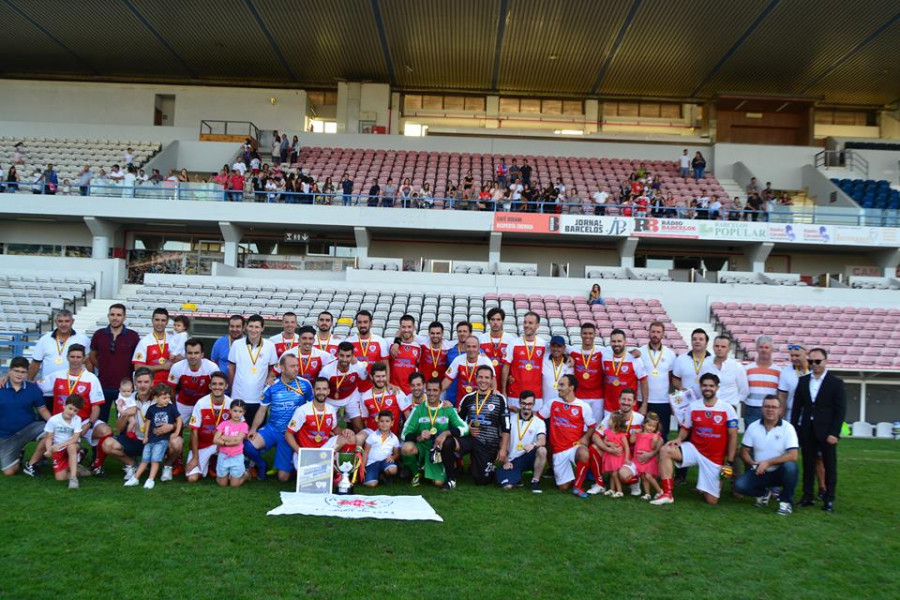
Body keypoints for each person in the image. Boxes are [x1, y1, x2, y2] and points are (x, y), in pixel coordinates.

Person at [652, 373, 739, 505]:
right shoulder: (693, 406)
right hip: (695, 449)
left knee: (712, 501)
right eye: (704, 385)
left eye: (711, 386)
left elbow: (733, 436)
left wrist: (730, 462)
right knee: (665, 450)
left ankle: (707, 484)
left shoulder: (727, 408)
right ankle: (667, 493)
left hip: (714, 458)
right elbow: (686, 427)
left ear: (717, 388)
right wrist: (679, 439)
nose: (707, 388)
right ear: (700, 387)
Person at [791, 348, 846, 512]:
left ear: (826, 361)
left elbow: (840, 410)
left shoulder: (835, 383)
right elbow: (797, 408)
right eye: (811, 361)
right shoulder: (803, 381)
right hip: (807, 429)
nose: (814, 365)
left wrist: (834, 433)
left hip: (827, 431)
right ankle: (807, 496)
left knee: (829, 466)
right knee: (808, 464)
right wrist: (795, 430)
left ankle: (829, 498)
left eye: (818, 361)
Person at [245, 353, 312, 482]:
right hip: (273, 429)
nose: (296, 369)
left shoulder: (305, 385)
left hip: (291, 433)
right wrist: (253, 429)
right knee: (248, 445)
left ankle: (291, 464)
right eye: (292, 366)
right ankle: (261, 464)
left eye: (297, 365)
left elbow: (312, 407)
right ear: (282, 368)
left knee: (283, 478)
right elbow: (262, 410)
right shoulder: (271, 387)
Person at [445, 366, 509, 488]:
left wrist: (503, 449)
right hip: (470, 438)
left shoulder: (499, 399)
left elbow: (506, 427)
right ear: (475, 378)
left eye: (486, 378)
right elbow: (457, 421)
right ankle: (450, 478)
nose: (483, 380)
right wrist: (466, 426)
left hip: (488, 444)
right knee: (448, 443)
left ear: (491, 380)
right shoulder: (468, 398)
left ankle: (483, 467)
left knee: (481, 481)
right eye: (480, 377)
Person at [735, 395, 799, 515]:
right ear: (762, 408)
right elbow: (744, 451)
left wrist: (768, 462)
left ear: (780, 410)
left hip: (780, 471)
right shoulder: (753, 427)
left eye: (774, 407)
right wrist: (752, 463)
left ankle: (785, 503)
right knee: (739, 486)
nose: (770, 410)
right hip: (760, 471)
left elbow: (793, 455)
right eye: (767, 406)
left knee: (791, 467)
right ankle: (762, 494)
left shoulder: (788, 428)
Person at [400, 378, 469, 487]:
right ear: (426, 391)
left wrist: (446, 433)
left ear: (441, 391)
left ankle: (438, 467)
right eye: (429, 390)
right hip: (422, 447)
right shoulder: (418, 410)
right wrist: (418, 437)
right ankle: (416, 474)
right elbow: (404, 434)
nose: (432, 393)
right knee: (406, 448)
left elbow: (465, 428)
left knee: (438, 483)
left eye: (435, 390)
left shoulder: (448, 409)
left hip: (438, 450)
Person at [537, 374, 596, 497]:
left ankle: (578, 487)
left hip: (575, 446)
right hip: (559, 450)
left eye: (562, 385)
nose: (558, 387)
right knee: (563, 487)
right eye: (559, 384)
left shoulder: (583, 406)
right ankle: (571, 478)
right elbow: (538, 418)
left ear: (571, 388)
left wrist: (585, 438)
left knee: (584, 454)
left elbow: (591, 426)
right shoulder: (552, 403)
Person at [87, 303, 141, 426]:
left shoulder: (133, 336)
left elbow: (136, 360)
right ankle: (98, 446)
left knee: (125, 421)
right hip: (103, 386)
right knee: (100, 422)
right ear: (108, 316)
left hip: (124, 388)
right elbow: (92, 355)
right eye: (112, 314)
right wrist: (102, 366)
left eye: (118, 315)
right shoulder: (99, 334)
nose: (115, 318)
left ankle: (123, 444)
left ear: (124, 317)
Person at [0, 357, 50, 476]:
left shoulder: (33, 389)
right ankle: (19, 452)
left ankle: (31, 464)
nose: (19, 375)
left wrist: (56, 424)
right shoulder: (1, 387)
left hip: (29, 428)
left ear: (27, 373)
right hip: (7, 435)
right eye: (16, 371)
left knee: (50, 432)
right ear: (9, 371)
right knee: (9, 472)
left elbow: (42, 410)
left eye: (23, 372)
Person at [125, 384, 181, 489]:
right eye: (164, 398)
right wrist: (146, 436)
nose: (167, 400)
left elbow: (179, 420)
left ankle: (150, 479)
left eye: (168, 397)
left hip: (162, 440)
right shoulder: (151, 409)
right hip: (151, 439)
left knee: (155, 459)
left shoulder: (171, 407)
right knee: (145, 459)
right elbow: (147, 423)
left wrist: (176, 433)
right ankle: (135, 478)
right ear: (156, 398)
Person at [285, 378, 357, 458]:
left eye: (324, 389)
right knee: (315, 466)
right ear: (313, 390)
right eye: (318, 389)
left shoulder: (330, 410)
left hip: (325, 449)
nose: (321, 392)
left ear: (328, 391)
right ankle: (326, 462)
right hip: (307, 452)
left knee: (350, 437)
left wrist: (345, 431)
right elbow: (288, 434)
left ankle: (344, 467)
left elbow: (335, 428)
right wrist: (299, 451)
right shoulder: (302, 410)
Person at [227, 314, 279, 426]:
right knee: (236, 430)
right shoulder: (237, 344)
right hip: (238, 396)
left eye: (257, 327)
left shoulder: (270, 346)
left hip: (259, 397)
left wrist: (270, 377)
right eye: (251, 326)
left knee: (256, 432)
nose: (253, 330)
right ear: (246, 327)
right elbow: (231, 368)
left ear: (262, 328)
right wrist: (232, 388)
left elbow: (273, 368)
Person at [185, 371, 232, 483]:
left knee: (231, 478)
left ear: (226, 386)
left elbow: (239, 428)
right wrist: (195, 457)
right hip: (203, 444)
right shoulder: (201, 403)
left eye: (221, 384)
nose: (217, 387)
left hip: (223, 445)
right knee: (192, 478)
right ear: (210, 386)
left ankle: (216, 462)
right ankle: (208, 462)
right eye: (214, 384)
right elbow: (194, 431)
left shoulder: (231, 403)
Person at [497, 391, 546, 493]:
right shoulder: (510, 420)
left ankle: (535, 481)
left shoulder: (539, 422)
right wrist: (506, 460)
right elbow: (502, 441)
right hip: (512, 460)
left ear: (533, 405)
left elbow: (542, 440)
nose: (526, 407)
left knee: (542, 450)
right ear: (519, 403)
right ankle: (517, 477)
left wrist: (533, 445)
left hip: (528, 456)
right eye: (523, 403)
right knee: (507, 487)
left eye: (529, 404)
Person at [501, 311, 547, 412]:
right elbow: (505, 367)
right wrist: (504, 391)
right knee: (514, 424)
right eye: (525, 322)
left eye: (530, 323)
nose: (526, 325)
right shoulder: (513, 343)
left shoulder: (544, 345)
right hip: (515, 394)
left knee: (533, 425)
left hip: (536, 396)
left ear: (537, 325)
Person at [28, 309, 89, 382]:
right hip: (48, 386)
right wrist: (29, 382)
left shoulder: (83, 340)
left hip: (73, 386)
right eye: (60, 321)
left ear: (72, 322)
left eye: (67, 321)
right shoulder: (44, 339)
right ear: (55, 322)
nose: (63, 324)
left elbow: (88, 362)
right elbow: (35, 363)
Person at [167, 338, 218, 424]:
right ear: (185, 354)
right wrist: (174, 408)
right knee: (176, 426)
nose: (193, 356)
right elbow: (171, 389)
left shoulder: (212, 367)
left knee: (207, 429)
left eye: (196, 353)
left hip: (204, 403)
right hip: (184, 403)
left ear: (202, 354)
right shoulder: (177, 367)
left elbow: (217, 389)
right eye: (190, 353)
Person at [357, 363, 410, 447]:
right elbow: (365, 420)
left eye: (383, 376)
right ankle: (359, 459)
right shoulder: (365, 396)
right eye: (378, 376)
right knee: (358, 438)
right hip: (372, 432)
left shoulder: (395, 392)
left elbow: (408, 415)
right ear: (371, 377)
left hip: (391, 432)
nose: (381, 379)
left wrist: (404, 432)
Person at [639, 321, 677, 440]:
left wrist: (672, 400)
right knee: (642, 433)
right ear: (649, 333)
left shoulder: (670, 354)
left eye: (658, 332)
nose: (655, 334)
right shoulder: (640, 352)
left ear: (663, 334)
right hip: (643, 400)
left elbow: (671, 379)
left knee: (662, 434)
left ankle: (661, 458)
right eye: (653, 331)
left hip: (663, 401)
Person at [600, 329, 649, 418]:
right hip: (609, 408)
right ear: (610, 342)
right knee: (609, 432)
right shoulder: (604, 356)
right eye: (613, 341)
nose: (616, 344)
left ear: (625, 342)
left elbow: (644, 381)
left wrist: (644, 404)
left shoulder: (634, 359)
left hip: (629, 408)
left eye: (619, 341)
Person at [42, 395, 84, 489]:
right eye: (70, 408)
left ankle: (73, 478)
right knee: (60, 478)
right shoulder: (53, 420)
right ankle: (78, 469)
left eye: (75, 410)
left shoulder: (77, 419)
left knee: (71, 446)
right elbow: (49, 437)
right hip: (58, 449)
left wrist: (60, 445)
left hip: (72, 446)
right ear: (64, 406)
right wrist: (49, 450)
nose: (72, 412)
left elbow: (75, 438)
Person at [132, 307, 183, 385]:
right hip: (151, 387)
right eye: (157, 320)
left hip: (171, 386)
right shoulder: (144, 342)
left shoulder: (174, 339)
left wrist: (178, 358)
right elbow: (138, 367)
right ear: (152, 320)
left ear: (167, 322)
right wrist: (162, 367)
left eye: (163, 320)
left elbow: (184, 360)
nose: (160, 323)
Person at [346, 310, 390, 393]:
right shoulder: (349, 341)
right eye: (359, 322)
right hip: (354, 389)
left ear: (371, 323)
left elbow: (386, 365)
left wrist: (386, 383)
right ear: (356, 324)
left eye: (365, 322)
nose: (362, 325)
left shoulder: (380, 341)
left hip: (374, 388)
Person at [442, 335, 492, 406]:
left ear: (478, 348)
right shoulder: (458, 360)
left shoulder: (485, 361)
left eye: (474, 347)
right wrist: (437, 395)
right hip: (461, 404)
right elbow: (447, 380)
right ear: (465, 348)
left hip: (481, 404)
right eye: (468, 346)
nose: (471, 349)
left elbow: (493, 381)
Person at [570, 324, 605, 423]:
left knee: (595, 424)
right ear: (580, 334)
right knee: (579, 424)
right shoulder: (573, 350)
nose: (587, 336)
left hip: (597, 397)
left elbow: (620, 352)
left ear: (594, 335)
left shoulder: (602, 351)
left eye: (590, 333)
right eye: (585, 333)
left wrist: (636, 352)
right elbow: (557, 349)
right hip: (579, 395)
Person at [744, 336, 782, 428]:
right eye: (761, 347)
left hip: (771, 409)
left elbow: (780, 393)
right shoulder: (747, 369)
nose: (763, 350)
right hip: (752, 408)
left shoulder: (778, 371)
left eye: (766, 347)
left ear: (771, 349)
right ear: (757, 349)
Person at [708, 335, 749, 413]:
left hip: (729, 409)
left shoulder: (737, 367)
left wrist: (734, 402)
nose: (719, 349)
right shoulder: (705, 365)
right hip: (709, 408)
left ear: (729, 349)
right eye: (717, 346)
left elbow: (744, 391)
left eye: (723, 347)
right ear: (713, 347)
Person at [214, 399, 248, 487]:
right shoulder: (224, 424)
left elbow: (238, 441)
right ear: (230, 411)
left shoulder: (244, 425)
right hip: (223, 456)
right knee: (222, 484)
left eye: (240, 411)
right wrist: (227, 443)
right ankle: (223, 476)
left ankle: (246, 475)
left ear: (244, 412)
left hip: (237, 456)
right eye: (235, 411)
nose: (237, 414)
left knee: (234, 485)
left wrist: (224, 438)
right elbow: (215, 439)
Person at [597, 411, 630, 498]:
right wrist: (609, 444)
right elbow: (604, 441)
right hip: (610, 456)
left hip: (618, 457)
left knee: (615, 474)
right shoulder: (607, 432)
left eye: (610, 419)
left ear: (615, 423)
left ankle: (619, 491)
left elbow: (626, 447)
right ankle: (612, 489)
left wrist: (626, 458)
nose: (608, 420)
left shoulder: (621, 435)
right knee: (612, 473)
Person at [362, 411, 401, 487]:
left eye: (387, 421)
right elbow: (366, 452)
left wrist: (392, 457)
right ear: (378, 422)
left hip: (385, 462)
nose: (384, 424)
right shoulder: (372, 436)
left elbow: (397, 453)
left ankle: (386, 476)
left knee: (393, 469)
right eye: (382, 421)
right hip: (372, 463)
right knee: (371, 484)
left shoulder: (394, 438)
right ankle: (379, 476)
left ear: (392, 423)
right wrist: (363, 467)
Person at [671, 328, 713, 398]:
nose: (697, 341)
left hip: (707, 401)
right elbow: (675, 378)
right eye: (694, 339)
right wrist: (680, 387)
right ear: (691, 341)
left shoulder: (713, 360)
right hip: (687, 401)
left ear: (706, 343)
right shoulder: (681, 359)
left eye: (701, 339)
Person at [632, 412, 663, 500]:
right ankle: (647, 494)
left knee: (648, 476)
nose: (651, 428)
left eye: (653, 427)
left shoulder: (654, 436)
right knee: (643, 477)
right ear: (644, 424)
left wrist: (654, 441)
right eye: (649, 425)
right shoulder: (639, 433)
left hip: (649, 459)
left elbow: (653, 448)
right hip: (639, 459)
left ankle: (660, 491)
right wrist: (634, 433)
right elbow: (632, 441)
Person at [479, 308, 516, 381]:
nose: (495, 322)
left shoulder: (511, 340)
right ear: (488, 322)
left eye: (498, 320)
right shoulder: (481, 339)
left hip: (505, 380)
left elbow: (514, 361)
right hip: (486, 380)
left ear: (503, 321)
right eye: (492, 320)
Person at [389, 315, 423, 393]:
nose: (406, 330)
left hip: (411, 392)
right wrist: (397, 342)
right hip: (393, 390)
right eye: (403, 327)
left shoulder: (419, 346)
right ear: (400, 327)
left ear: (414, 327)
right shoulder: (390, 343)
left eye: (409, 327)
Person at [777, 344, 809, 422]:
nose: (794, 358)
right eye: (792, 356)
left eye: (797, 355)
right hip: (791, 415)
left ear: (806, 354)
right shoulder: (786, 371)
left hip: (811, 414)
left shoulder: (814, 370)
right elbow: (782, 396)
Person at [445, 321, 473, 402]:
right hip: (452, 394)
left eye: (465, 331)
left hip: (471, 394)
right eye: (459, 331)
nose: (462, 333)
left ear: (470, 333)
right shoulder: (450, 351)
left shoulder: (479, 352)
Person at [542, 336, 573, 409]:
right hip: (545, 405)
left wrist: (569, 354)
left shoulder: (570, 363)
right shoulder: (543, 360)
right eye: (553, 346)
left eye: (559, 346)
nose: (556, 349)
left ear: (564, 348)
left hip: (563, 407)